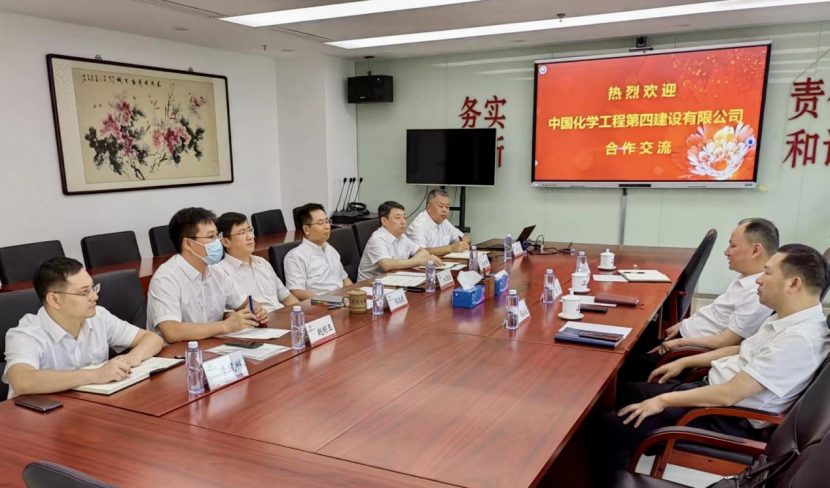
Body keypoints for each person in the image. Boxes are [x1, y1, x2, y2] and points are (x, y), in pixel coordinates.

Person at [600, 244, 830, 473]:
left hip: (725, 416)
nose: (759, 280)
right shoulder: (789, 318)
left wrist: (661, 401)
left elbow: (728, 394)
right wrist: (684, 361)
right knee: (618, 393)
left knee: (612, 427)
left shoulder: (798, 339)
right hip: (711, 394)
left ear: (794, 284)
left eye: (767, 273)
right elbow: (742, 350)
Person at [619, 219, 778, 381]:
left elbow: (725, 341)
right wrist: (684, 325)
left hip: (687, 350)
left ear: (755, 250)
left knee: (619, 364)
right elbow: (716, 313)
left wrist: (680, 343)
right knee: (625, 341)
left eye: (733, 246)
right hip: (683, 338)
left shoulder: (756, 292)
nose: (726, 252)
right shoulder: (746, 278)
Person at [2, 258, 164, 399]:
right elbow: (22, 381)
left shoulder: (98, 316)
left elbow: (153, 338)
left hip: (87, 406)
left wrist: (132, 357)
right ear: (55, 300)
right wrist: (95, 375)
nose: (94, 296)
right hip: (37, 417)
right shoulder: (26, 334)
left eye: (93, 287)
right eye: (84, 292)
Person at [146, 207, 268, 343]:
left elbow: (245, 303)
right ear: (188, 243)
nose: (218, 242)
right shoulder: (166, 278)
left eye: (217, 236)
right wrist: (225, 326)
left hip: (213, 346)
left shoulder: (216, 271)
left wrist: (255, 311)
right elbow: (172, 331)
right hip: (179, 352)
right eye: (211, 237)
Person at [216, 212, 299, 311]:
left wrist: (304, 313)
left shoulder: (262, 262)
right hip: (260, 319)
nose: (250, 237)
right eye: (242, 233)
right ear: (226, 242)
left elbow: (286, 297)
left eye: (249, 230)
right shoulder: (221, 273)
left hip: (282, 315)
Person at [357, 201, 444, 282]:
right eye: (398, 218)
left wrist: (413, 262)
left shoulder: (402, 237)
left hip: (394, 280)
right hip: (370, 286)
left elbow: (423, 251)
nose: (403, 222)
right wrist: (419, 262)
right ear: (384, 221)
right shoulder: (377, 239)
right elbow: (387, 265)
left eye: (404, 217)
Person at [283, 204, 352, 300]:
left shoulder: (331, 249)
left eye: (327, 221)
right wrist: (332, 301)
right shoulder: (295, 256)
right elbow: (297, 291)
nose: (327, 226)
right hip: (320, 304)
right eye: (320, 223)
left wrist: (352, 295)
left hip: (341, 300)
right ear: (306, 229)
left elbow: (344, 279)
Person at [405, 189, 471, 256]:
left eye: (447, 207)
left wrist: (463, 244)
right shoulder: (418, 226)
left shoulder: (444, 222)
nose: (445, 210)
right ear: (429, 207)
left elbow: (466, 237)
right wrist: (451, 248)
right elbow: (420, 252)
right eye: (441, 206)